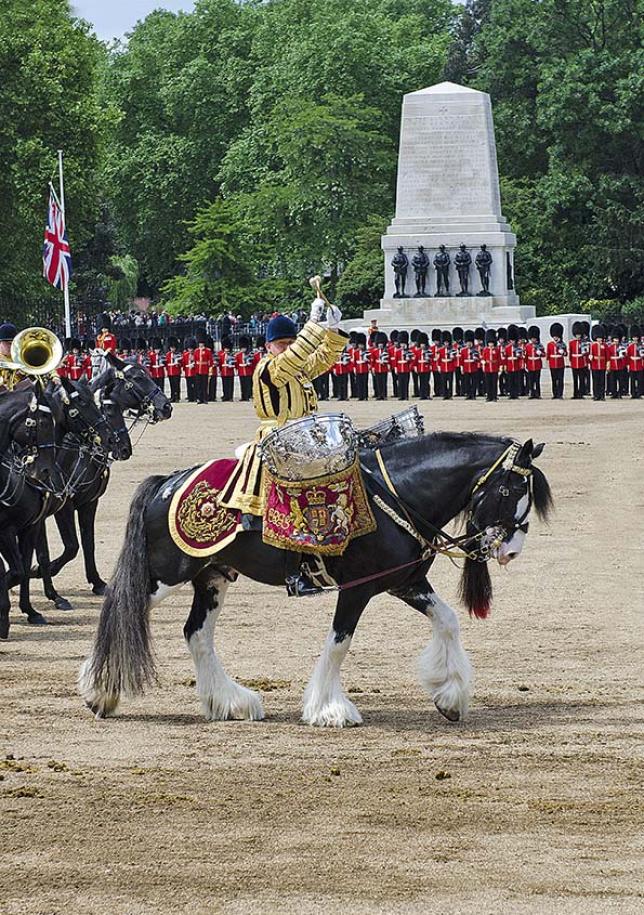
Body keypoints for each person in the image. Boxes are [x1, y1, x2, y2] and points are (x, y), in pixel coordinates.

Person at [218, 295, 347, 596]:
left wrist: (333, 329)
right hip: (278, 441)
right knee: (296, 502)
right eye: (281, 344)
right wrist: (312, 325)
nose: (287, 348)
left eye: (291, 342)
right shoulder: (269, 368)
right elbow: (294, 358)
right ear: (269, 347)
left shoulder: (296, 369)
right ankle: (293, 572)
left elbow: (323, 357)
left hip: (304, 439)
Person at [547, 323, 567, 399]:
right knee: (554, 380)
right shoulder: (550, 344)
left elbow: (566, 354)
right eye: (554, 336)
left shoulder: (563, 344)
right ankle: (555, 394)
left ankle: (560, 394)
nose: (555, 337)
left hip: (560, 364)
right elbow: (548, 355)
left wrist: (563, 352)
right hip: (552, 364)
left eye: (556, 336)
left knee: (560, 380)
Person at [524, 326, 544, 399]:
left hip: (537, 364)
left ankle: (538, 393)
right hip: (530, 364)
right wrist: (525, 364)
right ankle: (532, 393)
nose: (533, 340)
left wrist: (540, 353)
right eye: (532, 338)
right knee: (531, 381)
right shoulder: (527, 346)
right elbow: (525, 356)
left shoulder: (540, 345)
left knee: (537, 380)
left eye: (534, 338)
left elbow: (544, 354)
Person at [569, 321, 588, 399]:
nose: (578, 336)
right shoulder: (572, 342)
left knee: (581, 379)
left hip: (581, 362)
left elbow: (586, 353)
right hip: (574, 363)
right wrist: (570, 361)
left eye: (579, 334)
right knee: (575, 380)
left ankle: (581, 393)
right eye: (577, 334)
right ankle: (575, 394)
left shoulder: (584, 343)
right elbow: (570, 353)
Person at [589, 324, 608, 401]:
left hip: (602, 365)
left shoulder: (605, 345)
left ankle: (602, 395)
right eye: (598, 338)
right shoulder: (592, 346)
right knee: (595, 381)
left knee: (602, 381)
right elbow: (591, 355)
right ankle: (596, 395)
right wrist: (590, 360)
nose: (599, 339)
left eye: (600, 338)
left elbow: (607, 356)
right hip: (595, 365)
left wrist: (607, 365)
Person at [481, 328, 500, 402]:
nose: (490, 344)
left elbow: (499, 359)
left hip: (494, 368)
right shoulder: (485, 350)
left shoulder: (496, 350)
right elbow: (483, 358)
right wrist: (483, 362)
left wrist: (500, 367)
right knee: (488, 383)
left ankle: (494, 396)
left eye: (492, 343)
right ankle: (489, 397)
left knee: (494, 383)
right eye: (489, 343)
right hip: (487, 368)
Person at [194, 337, 214, 403]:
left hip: (205, 370)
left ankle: (205, 398)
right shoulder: (196, 351)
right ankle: (199, 398)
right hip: (197, 370)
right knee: (198, 385)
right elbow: (195, 361)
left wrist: (210, 370)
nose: (201, 345)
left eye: (202, 343)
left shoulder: (208, 351)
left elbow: (210, 361)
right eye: (200, 344)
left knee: (204, 385)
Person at [627, 325, 643, 399]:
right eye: (634, 337)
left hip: (640, 365)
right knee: (632, 381)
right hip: (632, 365)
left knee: (640, 380)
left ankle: (639, 393)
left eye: (636, 337)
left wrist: (640, 357)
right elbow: (628, 356)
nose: (635, 338)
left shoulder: (641, 346)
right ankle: (633, 393)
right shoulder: (630, 346)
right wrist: (628, 364)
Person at [352, 333, 370, 401]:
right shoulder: (356, 352)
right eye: (359, 344)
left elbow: (369, 361)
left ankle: (365, 396)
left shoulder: (366, 352)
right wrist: (354, 368)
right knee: (359, 384)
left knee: (365, 383)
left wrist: (367, 360)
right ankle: (360, 396)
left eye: (361, 345)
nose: (360, 346)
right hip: (358, 369)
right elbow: (354, 361)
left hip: (365, 369)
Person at [165, 337, 182, 402]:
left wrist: (178, 364)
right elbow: (166, 364)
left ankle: (177, 397)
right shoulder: (168, 354)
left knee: (177, 385)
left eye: (173, 348)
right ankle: (172, 397)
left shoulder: (178, 354)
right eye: (171, 347)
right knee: (172, 385)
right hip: (170, 372)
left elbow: (181, 363)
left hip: (176, 372)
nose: (172, 349)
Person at [182, 338, 197, 403]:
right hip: (188, 372)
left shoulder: (195, 354)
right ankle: (190, 397)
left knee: (195, 386)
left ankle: (195, 397)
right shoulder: (185, 355)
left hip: (194, 372)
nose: (190, 350)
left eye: (191, 348)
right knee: (189, 386)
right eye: (189, 349)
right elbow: (184, 363)